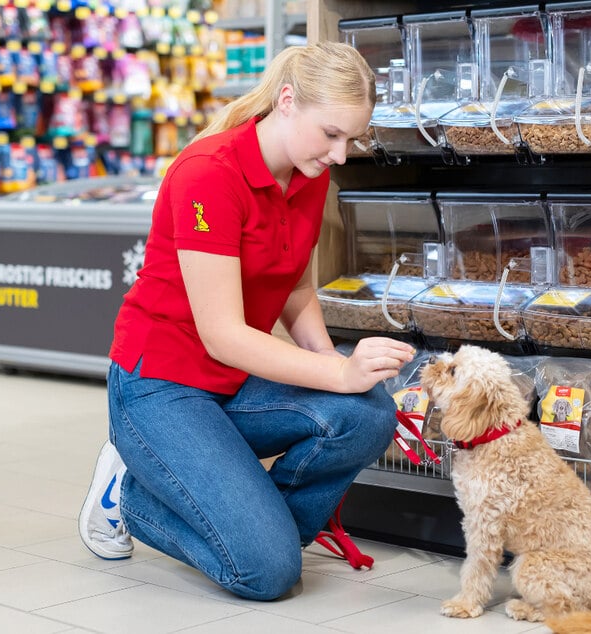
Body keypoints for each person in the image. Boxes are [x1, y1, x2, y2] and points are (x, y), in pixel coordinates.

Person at [79, 41, 415, 601]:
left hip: (234, 383)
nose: (340, 155)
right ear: (287, 101)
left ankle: (247, 522)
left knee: (366, 413)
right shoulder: (208, 174)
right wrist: (337, 373)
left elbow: (296, 285)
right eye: (331, 134)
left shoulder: (309, 173)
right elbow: (223, 336)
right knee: (267, 574)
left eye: (352, 140)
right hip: (160, 384)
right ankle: (135, 495)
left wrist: (330, 360)